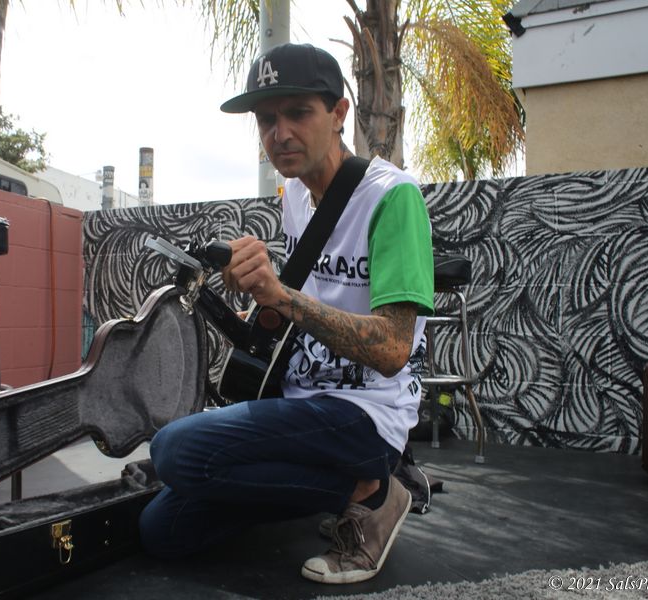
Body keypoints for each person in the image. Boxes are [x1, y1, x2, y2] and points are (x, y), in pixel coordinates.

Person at [138, 42, 434, 584]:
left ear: (339, 113)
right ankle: (330, 490)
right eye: (266, 120)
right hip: (299, 403)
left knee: (175, 450)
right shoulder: (294, 197)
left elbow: (394, 349)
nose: (280, 133)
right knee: (163, 531)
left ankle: (374, 491)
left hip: (365, 415)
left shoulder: (393, 198)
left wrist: (281, 296)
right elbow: (303, 309)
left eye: (298, 113)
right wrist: (253, 298)